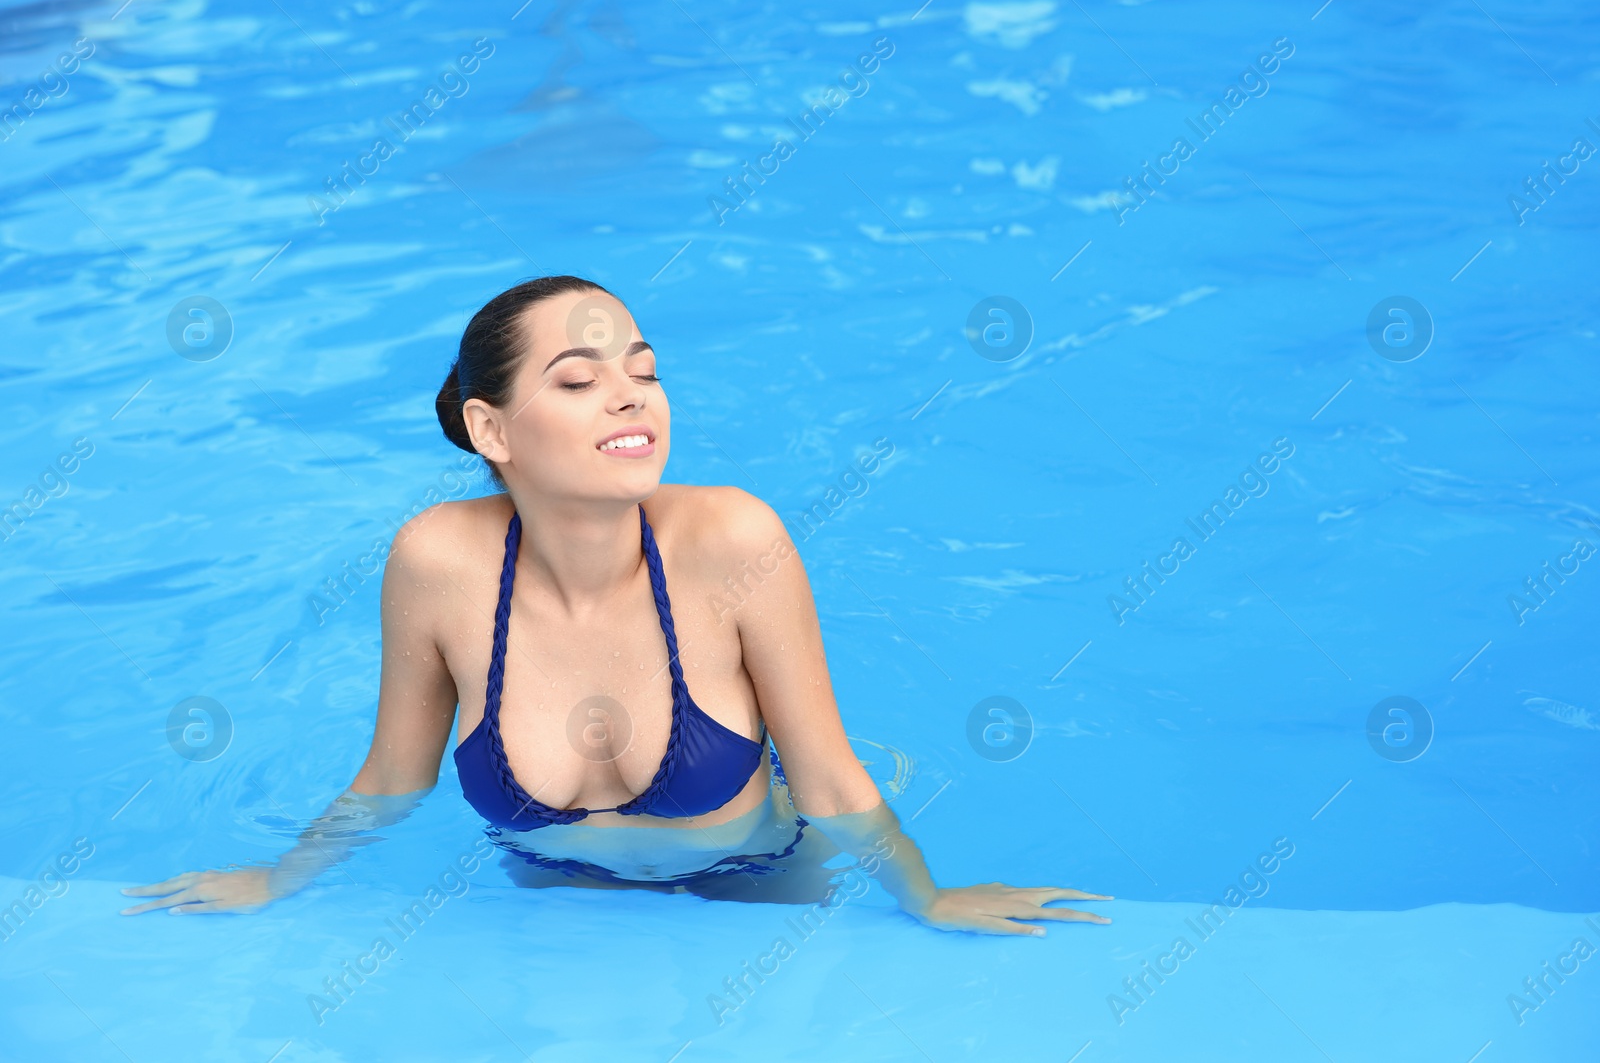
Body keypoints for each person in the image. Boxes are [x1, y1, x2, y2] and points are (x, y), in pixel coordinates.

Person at [121, 275, 1112, 936]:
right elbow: (393, 773)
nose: (632, 397)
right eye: (580, 378)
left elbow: (824, 772)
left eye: (644, 371)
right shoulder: (439, 559)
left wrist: (927, 896)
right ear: (490, 426)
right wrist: (280, 878)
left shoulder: (733, 540)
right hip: (549, 884)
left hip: (753, 883)